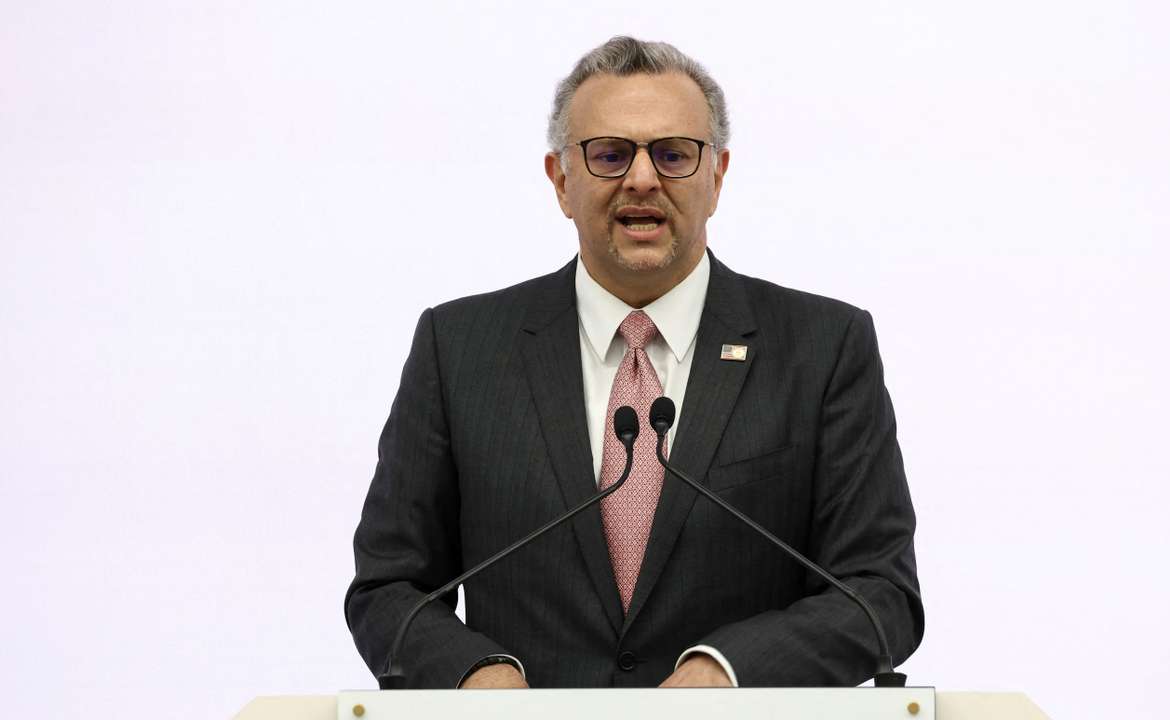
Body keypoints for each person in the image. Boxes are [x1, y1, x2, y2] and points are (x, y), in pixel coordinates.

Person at [345, 36, 923, 689]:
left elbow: (880, 594)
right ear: (561, 180)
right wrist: (475, 673)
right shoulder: (459, 347)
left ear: (718, 176)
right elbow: (389, 587)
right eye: (610, 155)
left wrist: (728, 671)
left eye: (674, 155)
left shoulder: (822, 347)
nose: (642, 179)